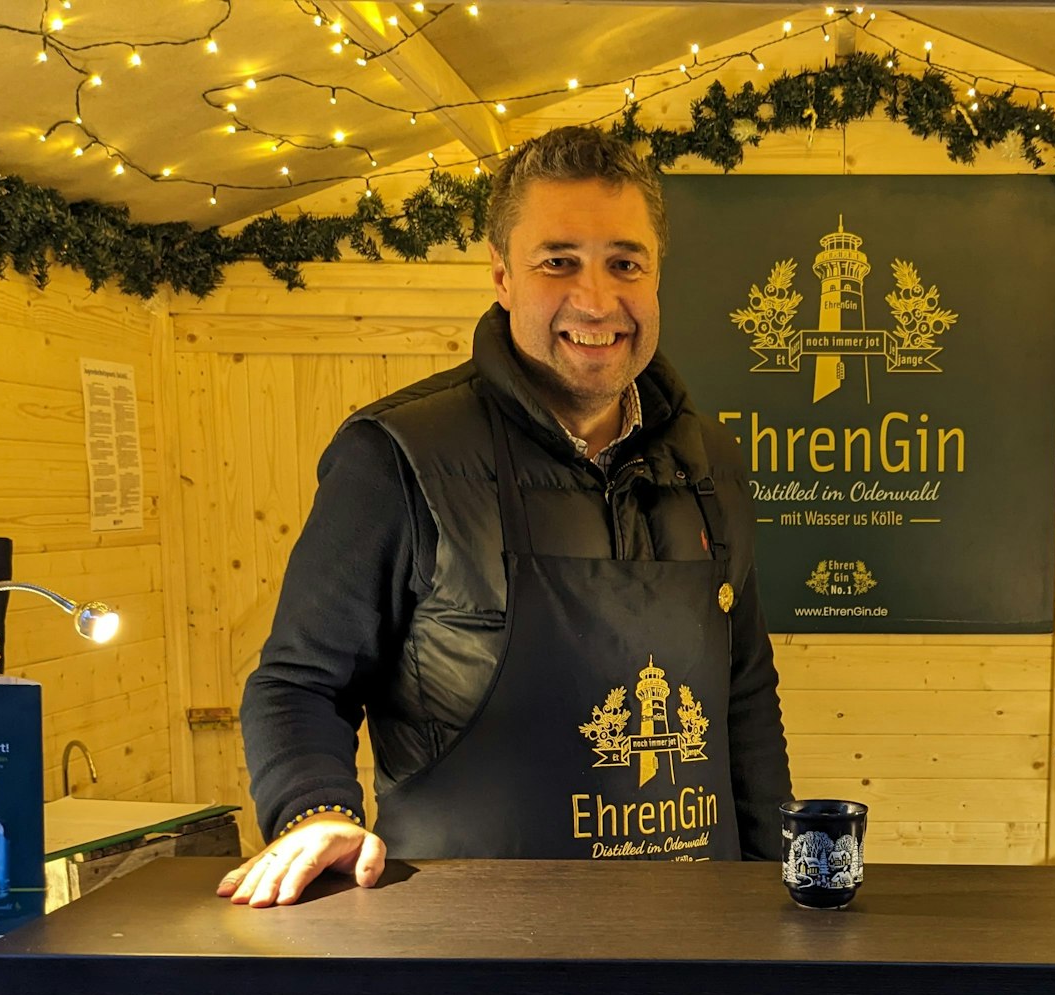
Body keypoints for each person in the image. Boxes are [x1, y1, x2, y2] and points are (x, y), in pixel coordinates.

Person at [217, 126, 792, 908]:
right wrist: (315, 811)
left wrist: (777, 890)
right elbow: (297, 682)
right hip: (471, 957)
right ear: (501, 277)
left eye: (625, 263)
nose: (596, 300)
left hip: (692, 944)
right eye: (559, 262)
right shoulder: (397, 456)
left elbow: (745, 693)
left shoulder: (712, 464)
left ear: (657, 278)